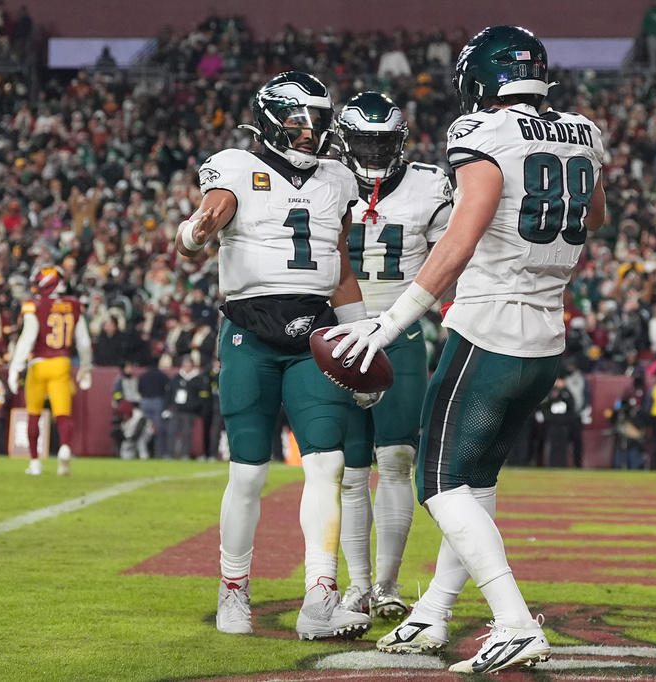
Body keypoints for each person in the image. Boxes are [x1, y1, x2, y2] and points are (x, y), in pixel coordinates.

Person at [328, 26, 606, 673]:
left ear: (479, 78)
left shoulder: (481, 132)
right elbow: (595, 215)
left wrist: (390, 322)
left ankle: (513, 621)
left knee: (438, 479)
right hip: (546, 334)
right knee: (476, 477)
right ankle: (432, 611)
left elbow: (461, 235)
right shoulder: (584, 132)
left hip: (488, 328)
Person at [176, 71, 371, 640]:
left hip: (315, 334)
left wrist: (359, 340)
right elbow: (215, 207)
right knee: (248, 473)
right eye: (297, 123)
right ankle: (233, 588)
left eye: (316, 124)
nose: (309, 135)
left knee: (327, 465)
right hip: (250, 335)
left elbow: (338, 265)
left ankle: (320, 594)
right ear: (268, 121)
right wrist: (197, 228)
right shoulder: (237, 165)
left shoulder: (337, 178)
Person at [333, 91, 451, 621]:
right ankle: (357, 584)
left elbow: (454, 256)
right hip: (339, 334)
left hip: (399, 336)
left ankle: (387, 582)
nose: (375, 154)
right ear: (345, 141)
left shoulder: (430, 185)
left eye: (383, 143)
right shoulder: (323, 181)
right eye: (364, 143)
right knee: (351, 469)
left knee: (397, 462)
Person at [7, 265, 94, 476]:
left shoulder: (34, 305)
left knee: (33, 413)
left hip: (38, 364)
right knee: (63, 414)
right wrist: (86, 367)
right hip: (62, 363)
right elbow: (83, 342)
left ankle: (35, 462)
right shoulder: (73, 305)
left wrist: (15, 367)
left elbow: (28, 337)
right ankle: (64, 448)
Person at [165, 354, 208, 459]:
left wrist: (194, 406)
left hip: (189, 411)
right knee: (172, 431)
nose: (187, 366)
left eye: (189, 364)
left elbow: (202, 396)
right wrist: (168, 406)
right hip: (176, 409)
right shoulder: (176, 377)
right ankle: (170, 453)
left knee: (187, 433)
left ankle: (185, 454)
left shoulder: (197, 379)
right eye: (185, 364)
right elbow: (169, 393)